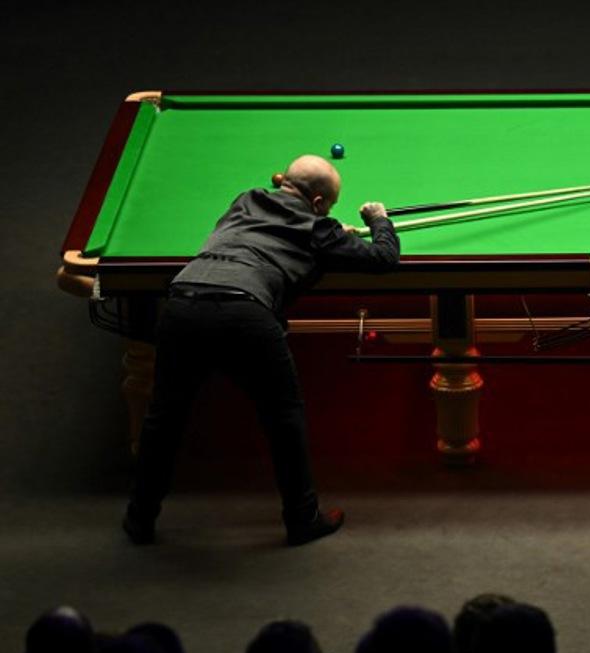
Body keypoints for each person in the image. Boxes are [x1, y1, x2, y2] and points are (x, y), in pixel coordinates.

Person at [122, 154, 400, 546]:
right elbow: (385, 259)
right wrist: (378, 221)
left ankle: (139, 518)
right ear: (319, 203)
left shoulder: (246, 199)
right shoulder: (319, 227)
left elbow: (271, 234)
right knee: (283, 417)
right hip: (244, 313)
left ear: (283, 180)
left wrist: (332, 234)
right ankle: (303, 520)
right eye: (329, 206)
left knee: (163, 418)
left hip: (182, 302)